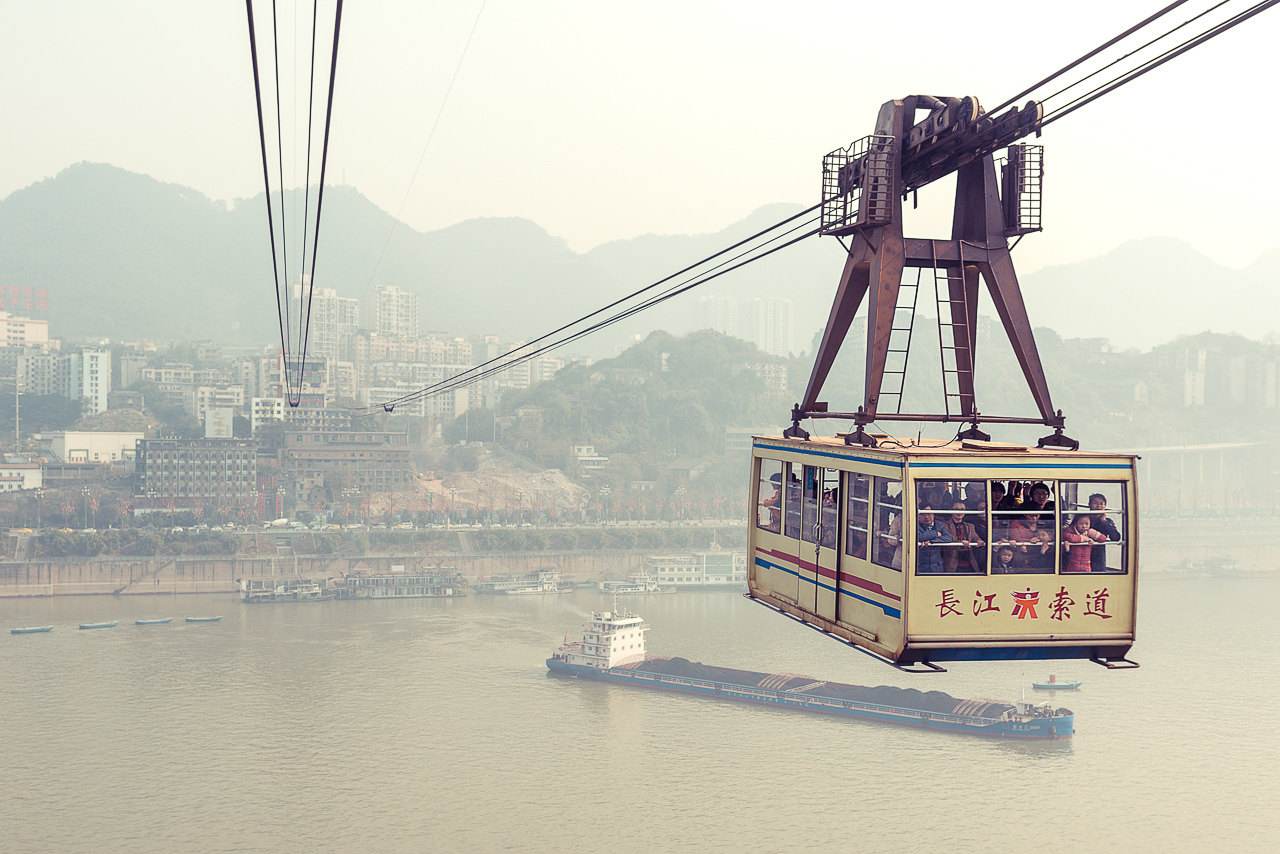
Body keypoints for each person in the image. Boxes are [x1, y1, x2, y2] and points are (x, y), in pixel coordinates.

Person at [943, 502, 984, 573]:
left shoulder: (970, 526)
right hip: (952, 564)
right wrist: (960, 543)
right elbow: (946, 540)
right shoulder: (944, 525)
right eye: (956, 509)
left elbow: (975, 537)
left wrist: (979, 541)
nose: (959, 512)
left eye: (962, 509)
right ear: (951, 511)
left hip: (969, 563)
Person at [1087, 493, 1121, 572]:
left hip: (1099, 553)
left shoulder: (1107, 521)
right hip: (1082, 551)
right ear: (1089, 505)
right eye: (1095, 503)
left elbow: (1116, 537)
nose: (1098, 506)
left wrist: (1104, 521)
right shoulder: (1083, 518)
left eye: (1101, 504)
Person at [916, 505, 952, 574]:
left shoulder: (940, 525)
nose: (926, 517)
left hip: (937, 567)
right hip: (920, 567)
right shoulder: (915, 525)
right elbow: (919, 537)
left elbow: (948, 538)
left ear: (933, 514)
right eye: (923, 514)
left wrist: (931, 541)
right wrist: (935, 533)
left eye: (929, 514)